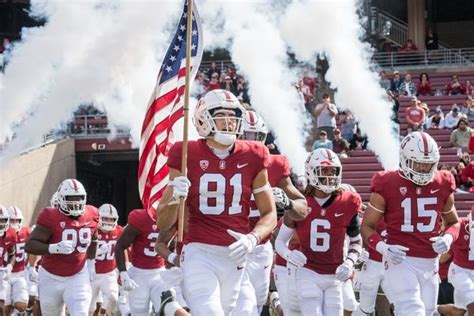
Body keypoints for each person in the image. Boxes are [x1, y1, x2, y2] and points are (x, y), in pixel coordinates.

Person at [157, 89, 277, 315]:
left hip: (237, 253)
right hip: (199, 251)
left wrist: (253, 238)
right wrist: (174, 196)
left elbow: (270, 214)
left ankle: (171, 308)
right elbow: (164, 222)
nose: (229, 122)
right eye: (222, 114)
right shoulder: (186, 153)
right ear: (203, 118)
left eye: (233, 116)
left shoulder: (254, 154)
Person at [361, 131, 460, 316]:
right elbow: (366, 226)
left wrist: (448, 238)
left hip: (430, 262)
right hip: (399, 259)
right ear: (405, 159)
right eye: (418, 164)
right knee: (411, 310)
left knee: (427, 311)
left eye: (428, 164)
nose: (423, 169)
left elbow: (454, 223)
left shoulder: (443, 182)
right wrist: (383, 247)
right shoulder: (387, 182)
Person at [235, 110, 307, 314]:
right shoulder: (221, 162)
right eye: (246, 136)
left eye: (257, 137)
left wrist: (289, 204)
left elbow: (303, 207)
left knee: (256, 306)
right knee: (242, 305)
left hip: (260, 247)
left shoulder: (274, 165)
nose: (252, 143)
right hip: (231, 245)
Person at [275, 148, 362, 315]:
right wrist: (289, 255)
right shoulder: (300, 204)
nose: (330, 176)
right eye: (324, 171)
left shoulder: (348, 201)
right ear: (311, 172)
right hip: (308, 271)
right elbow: (279, 241)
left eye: (333, 171)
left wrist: (350, 262)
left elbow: (356, 240)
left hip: (335, 274)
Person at [25, 179, 99, 316]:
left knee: (81, 312)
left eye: (79, 198)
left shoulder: (92, 213)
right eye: (71, 198)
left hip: (78, 275)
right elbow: (30, 245)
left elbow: (94, 238)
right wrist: (53, 248)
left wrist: (91, 263)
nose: (76, 202)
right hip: (50, 276)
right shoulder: (50, 216)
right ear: (61, 199)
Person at [90, 204, 123, 316]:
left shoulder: (119, 230)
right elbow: (81, 251)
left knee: (113, 297)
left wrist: (125, 267)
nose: (109, 221)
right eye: (106, 218)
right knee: (89, 308)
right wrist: (96, 252)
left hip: (109, 273)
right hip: (92, 274)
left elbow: (123, 249)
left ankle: (103, 313)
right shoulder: (92, 230)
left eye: (111, 219)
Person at [5, 207, 30, 315]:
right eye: (12, 220)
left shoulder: (27, 232)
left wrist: (31, 266)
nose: (15, 223)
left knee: (21, 305)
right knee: (4, 307)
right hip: (5, 274)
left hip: (20, 273)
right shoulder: (4, 235)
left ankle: (16, 313)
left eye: (17, 220)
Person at [447, 212, 474, 315]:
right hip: (460, 270)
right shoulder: (460, 225)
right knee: (473, 304)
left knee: (459, 311)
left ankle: (433, 308)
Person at [0, 206, 16, 316]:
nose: (1, 223)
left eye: (3, 220)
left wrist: (10, 266)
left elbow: (12, 254)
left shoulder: (11, 234)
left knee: (1, 306)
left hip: (0, 271)